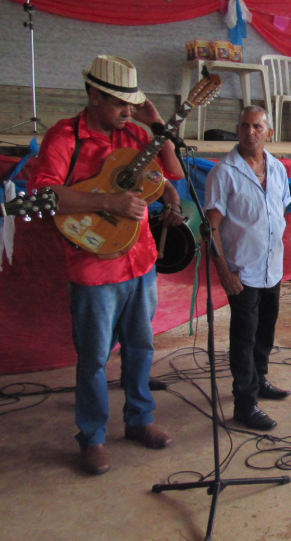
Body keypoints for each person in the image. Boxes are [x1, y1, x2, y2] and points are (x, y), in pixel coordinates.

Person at [30, 55, 185, 475]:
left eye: (132, 103)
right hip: (92, 266)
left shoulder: (135, 132)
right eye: (120, 103)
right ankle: (93, 436)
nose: (128, 111)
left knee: (141, 347)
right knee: (95, 357)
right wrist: (105, 202)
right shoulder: (64, 136)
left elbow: (171, 170)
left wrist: (156, 125)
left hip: (141, 261)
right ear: (94, 95)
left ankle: (139, 419)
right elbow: (44, 194)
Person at [205, 106, 291, 431]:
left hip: (272, 266)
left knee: (265, 330)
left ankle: (260, 380)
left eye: (257, 126)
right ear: (237, 130)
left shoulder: (279, 169)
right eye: (244, 125)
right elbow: (211, 227)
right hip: (242, 271)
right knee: (243, 337)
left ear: (269, 132)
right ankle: (245, 403)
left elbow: (276, 214)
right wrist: (224, 272)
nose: (250, 132)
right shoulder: (223, 173)